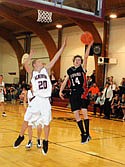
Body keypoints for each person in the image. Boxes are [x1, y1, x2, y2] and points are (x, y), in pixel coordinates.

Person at [13, 38, 67, 155]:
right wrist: (30, 55)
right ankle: (21, 136)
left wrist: (63, 47)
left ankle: (45, 141)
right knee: (26, 120)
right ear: (35, 64)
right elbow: (25, 63)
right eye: (39, 62)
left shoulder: (46, 70)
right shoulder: (33, 73)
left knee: (47, 123)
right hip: (36, 100)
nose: (42, 63)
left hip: (45, 101)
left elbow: (56, 58)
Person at [59, 40, 94, 144]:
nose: (78, 61)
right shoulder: (69, 71)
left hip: (82, 92)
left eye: (79, 60)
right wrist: (61, 91)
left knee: (84, 113)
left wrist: (89, 46)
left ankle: (87, 133)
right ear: (73, 61)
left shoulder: (82, 68)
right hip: (73, 93)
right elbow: (65, 81)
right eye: (77, 60)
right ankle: (83, 134)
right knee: (76, 115)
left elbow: (86, 56)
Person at [25, 84, 42, 149]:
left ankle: (38, 139)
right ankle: (30, 141)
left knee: (39, 126)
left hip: (38, 111)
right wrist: (26, 109)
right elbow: (25, 101)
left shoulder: (39, 92)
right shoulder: (28, 92)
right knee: (29, 126)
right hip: (31, 111)